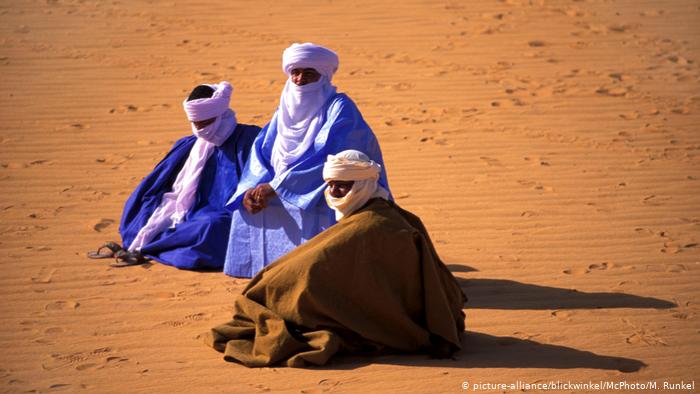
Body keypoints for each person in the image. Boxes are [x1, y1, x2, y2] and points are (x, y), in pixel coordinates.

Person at [206, 150, 466, 367]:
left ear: (363, 184)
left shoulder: (375, 225)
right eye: (330, 184)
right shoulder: (375, 211)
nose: (335, 191)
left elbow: (322, 266)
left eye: (343, 184)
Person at [224, 43, 391, 278]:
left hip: (324, 187)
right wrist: (251, 188)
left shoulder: (339, 107)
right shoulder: (283, 110)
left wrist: (278, 187)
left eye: (309, 74)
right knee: (246, 205)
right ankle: (266, 273)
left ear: (323, 76)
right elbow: (262, 151)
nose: (300, 80)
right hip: (283, 186)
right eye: (295, 73)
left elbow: (330, 157)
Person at [90, 82, 260, 269]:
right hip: (181, 206)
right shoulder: (189, 144)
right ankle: (139, 244)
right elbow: (161, 182)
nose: (200, 128)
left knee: (211, 227)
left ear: (219, 115)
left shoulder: (250, 139)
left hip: (220, 210)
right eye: (195, 123)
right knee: (140, 207)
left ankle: (147, 248)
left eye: (205, 122)